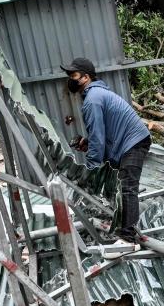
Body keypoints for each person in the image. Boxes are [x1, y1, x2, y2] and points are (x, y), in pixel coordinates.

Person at [61, 57, 151, 242]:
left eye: (74, 75)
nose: (70, 79)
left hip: (134, 142)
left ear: (86, 77)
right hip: (129, 142)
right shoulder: (96, 96)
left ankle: (128, 235)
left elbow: (98, 139)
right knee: (121, 185)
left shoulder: (93, 100)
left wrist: (92, 169)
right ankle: (122, 223)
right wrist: (89, 144)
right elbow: (100, 134)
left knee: (127, 187)